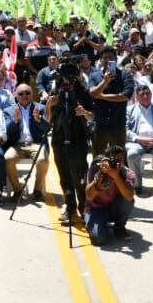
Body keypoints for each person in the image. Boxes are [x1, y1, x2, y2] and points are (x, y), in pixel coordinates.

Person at [46, 65, 95, 219]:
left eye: (69, 77)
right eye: (63, 78)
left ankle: (84, 206)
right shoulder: (56, 92)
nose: (66, 81)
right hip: (59, 140)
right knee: (64, 176)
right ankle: (70, 207)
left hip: (78, 139)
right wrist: (49, 106)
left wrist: (84, 113)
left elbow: (92, 116)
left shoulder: (83, 92)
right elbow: (49, 119)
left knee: (79, 176)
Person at [4, 84, 50, 202]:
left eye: (27, 93)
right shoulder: (9, 111)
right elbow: (7, 132)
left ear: (32, 94)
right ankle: (18, 190)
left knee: (43, 160)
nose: (24, 96)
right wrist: (15, 121)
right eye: (21, 94)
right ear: (16, 96)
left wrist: (39, 120)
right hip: (17, 145)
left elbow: (47, 129)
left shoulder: (41, 108)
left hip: (36, 144)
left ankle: (37, 190)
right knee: (7, 158)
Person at [84, 146, 135, 247]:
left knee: (128, 198)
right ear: (106, 159)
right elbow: (89, 196)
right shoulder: (96, 169)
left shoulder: (127, 173)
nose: (117, 163)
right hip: (95, 209)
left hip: (113, 208)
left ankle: (119, 227)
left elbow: (129, 197)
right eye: (113, 160)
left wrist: (116, 176)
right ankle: (95, 223)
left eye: (120, 160)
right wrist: (101, 174)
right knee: (99, 240)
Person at [89, 52, 132, 154]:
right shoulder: (94, 76)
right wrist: (105, 81)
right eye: (105, 58)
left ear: (116, 59)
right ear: (101, 60)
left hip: (118, 124)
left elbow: (126, 96)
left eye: (110, 57)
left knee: (118, 159)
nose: (107, 60)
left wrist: (102, 96)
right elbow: (92, 94)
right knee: (98, 159)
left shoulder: (125, 75)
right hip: (100, 124)